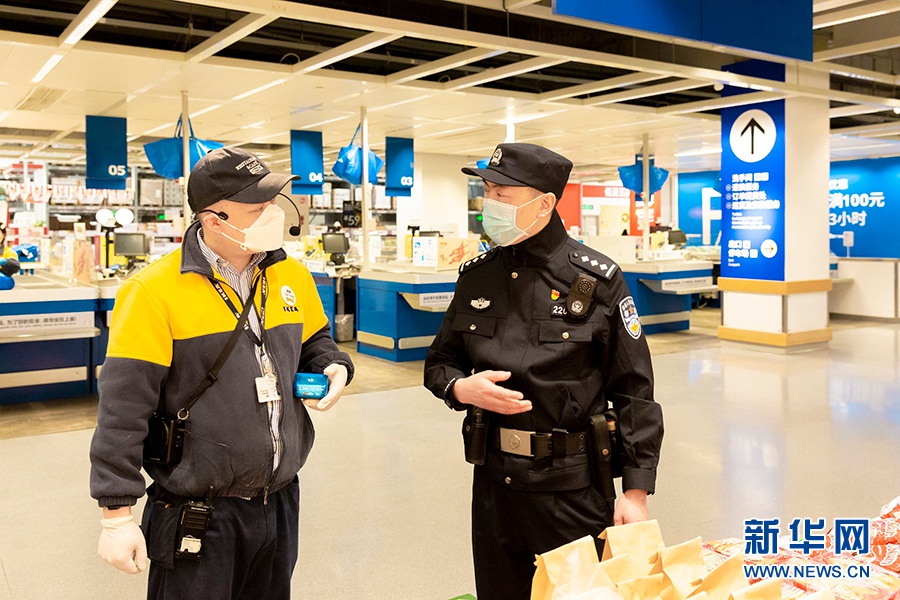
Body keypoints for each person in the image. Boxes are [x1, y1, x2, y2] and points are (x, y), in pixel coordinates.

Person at [90, 147, 354, 599]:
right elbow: (123, 407)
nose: (273, 214)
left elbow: (315, 340)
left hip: (279, 500)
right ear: (214, 219)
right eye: (257, 208)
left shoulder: (290, 274)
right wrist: (116, 513)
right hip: (199, 512)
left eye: (273, 203)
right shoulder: (153, 292)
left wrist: (332, 364)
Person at [424, 142, 664, 599]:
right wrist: (461, 388)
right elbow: (440, 363)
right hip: (495, 484)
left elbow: (634, 389)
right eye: (487, 191)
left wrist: (635, 492)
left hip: (570, 487)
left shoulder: (595, 280)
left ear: (545, 203)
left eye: (503, 195)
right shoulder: (477, 275)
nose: (489, 204)